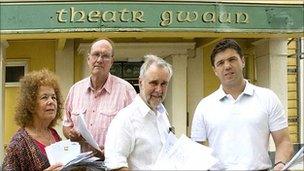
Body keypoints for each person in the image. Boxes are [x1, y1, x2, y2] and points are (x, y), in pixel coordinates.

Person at [191, 39, 294, 170]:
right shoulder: (204, 106)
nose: (227, 66)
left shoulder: (268, 98)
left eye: (232, 59)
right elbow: (196, 150)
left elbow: (283, 141)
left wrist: (280, 164)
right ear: (215, 70)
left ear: (243, 61)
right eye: (220, 63)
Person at [63, 38, 136, 159]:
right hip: (80, 166)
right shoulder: (75, 90)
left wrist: (112, 150)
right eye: (96, 54)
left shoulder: (126, 91)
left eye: (105, 56)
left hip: (111, 165)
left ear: (112, 61)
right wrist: (70, 134)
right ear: (88, 59)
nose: (99, 60)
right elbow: (66, 125)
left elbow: (136, 131)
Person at [104, 54, 173, 170]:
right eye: (154, 83)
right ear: (140, 82)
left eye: (164, 84)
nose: (159, 90)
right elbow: (115, 166)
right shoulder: (125, 119)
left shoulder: (163, 115)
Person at [3, 69, 64, 171]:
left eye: (54, 97)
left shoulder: (54, 134)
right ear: (31, 104)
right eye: (44, 97)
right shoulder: (18, 143)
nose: (51, 102)